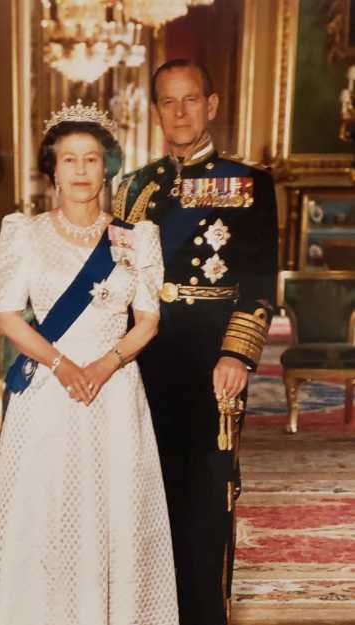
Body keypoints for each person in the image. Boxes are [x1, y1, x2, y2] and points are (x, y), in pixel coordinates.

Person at [0, 100, 179, 625]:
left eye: (91, 159)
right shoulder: (24, 232)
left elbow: (148, 320)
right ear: (51, 170)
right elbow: (8, 318)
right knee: (46, 512)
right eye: (69, 160)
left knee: (114, 512)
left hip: (116, 393)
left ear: (107, 166)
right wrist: (62, 365)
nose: (81, 170)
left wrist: (104, 366)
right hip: (49, 395)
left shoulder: (137, 236)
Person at [114, 60, 278, 625]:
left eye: (190, 100)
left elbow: (259, 285)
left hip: (212, 359)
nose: (179, 112)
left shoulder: (249, 184)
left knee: (206, 495)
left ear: (211, 104)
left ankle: (203, 614)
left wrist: (237, 353)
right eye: (168, 101)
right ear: (155, 109)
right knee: (142, 492)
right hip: (143, 356)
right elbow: (114, 281)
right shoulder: (133, 187)